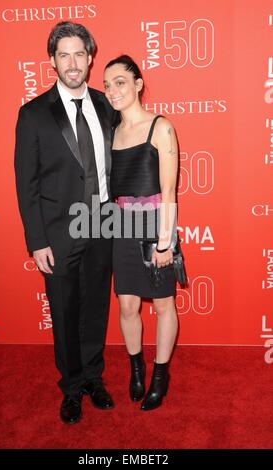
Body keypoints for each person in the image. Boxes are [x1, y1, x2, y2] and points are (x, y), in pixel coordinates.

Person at [14, 21, 117, 424]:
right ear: (52, 61)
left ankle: (94, 378)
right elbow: (27, 184)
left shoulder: (108, 105)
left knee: (95, 308)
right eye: (64, 55)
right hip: (58, 232)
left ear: (91, 58)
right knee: (63, 311)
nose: (72, 63)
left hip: (104, 224)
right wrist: (37, 240)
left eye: (79, 54)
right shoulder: (34, 114)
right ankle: (71, 387)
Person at [103, 55, 179, 411]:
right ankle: (136, 367)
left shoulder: (160, 127)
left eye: (120, 81)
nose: (112, 90)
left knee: (163, 304)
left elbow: (169, 192)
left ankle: (160, 375)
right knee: (128, 305)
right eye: (107, 84)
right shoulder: (110, 132)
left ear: (138, 84)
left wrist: (166, 242)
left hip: (154, 225)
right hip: (122, 225)